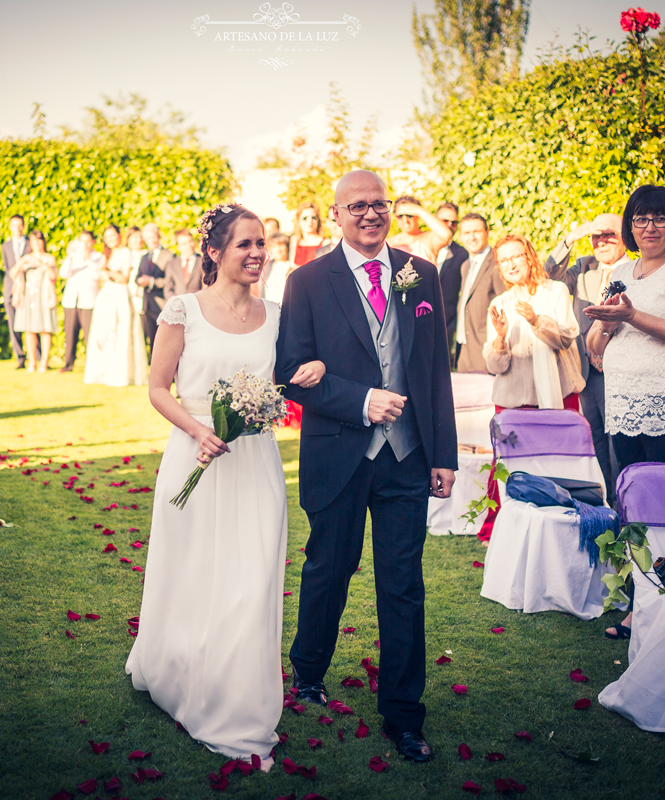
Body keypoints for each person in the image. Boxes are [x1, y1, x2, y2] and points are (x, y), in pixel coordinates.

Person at [126, 203, 324, 764]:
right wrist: (198, 431)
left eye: (263, 243)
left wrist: (314, 372)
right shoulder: (182, 310)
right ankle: (179, 669)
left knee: (252, 577)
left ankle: (240, 699)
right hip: (195, 459)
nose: (258, 253)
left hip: (255, 464)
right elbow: (158, 387)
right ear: (214, 252)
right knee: (191, 572)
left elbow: (293, 374)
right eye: (245, 244)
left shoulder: (282, 314)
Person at [276, 170, 458, 763]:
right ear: (336, 214)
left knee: (403, 585)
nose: (370, 215)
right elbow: (292, 372)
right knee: (330, 565)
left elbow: (433, 371)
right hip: (340, 453)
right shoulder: (305, 282)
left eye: (378, 204)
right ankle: (307, 671)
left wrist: (445, 454)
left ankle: (405, 716)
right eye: (357, 206)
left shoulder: (420, 273)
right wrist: (360, 401)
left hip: (407, 457)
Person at [585, 185, 665, 641]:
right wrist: (603, 326)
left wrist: (630, 316)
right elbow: (595, 345)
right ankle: (638, 606)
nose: (650, 227)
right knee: (634, 509)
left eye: (660, 218)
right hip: (625, 407)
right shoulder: (623, 269)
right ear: (630, 225)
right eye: (641, 219)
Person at [544, 213, 634, 496]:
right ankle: (610, 505)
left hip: (622, 370)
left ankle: (630, 505)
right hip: (588, 373)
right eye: (596, 235)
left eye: (609, 234)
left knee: (620, 442)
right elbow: (547, 278)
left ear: (625, 238)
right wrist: (572, 236)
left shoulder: (637, 269)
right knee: (597, 442)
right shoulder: (583, 266)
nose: (601, 241)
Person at [484, 234, 584, 411]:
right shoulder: (499, 304)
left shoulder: (556, 291)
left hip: (561, 396)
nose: (511, 265)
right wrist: (500, 338)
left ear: (529, 257)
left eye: (516, 257)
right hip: (513, 403)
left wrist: (537, 322)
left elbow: (567, 338)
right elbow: (494, 367)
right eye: (504, 260)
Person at [85, 225, 148, 386]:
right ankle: (103, 372)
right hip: (106, 295)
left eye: (113, 236)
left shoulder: (126, 253)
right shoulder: (106, 254)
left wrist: (109, 273)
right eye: (107, 237)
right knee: (104, 331)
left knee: (120, 331)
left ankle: (120, 373)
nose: (111, 240)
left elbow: (124, 278)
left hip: (120, 295)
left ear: (119, 235)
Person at [455, 213, 503, 372]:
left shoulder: (498, 263)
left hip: (486, 354)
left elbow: (506, 308)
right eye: (467, 233)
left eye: (477, 232)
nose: (472, 237)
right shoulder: (465, 266)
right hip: (464, 354)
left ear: (487, 233)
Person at [10, 231, 58, 372]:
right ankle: (32, 362)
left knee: (45, 329)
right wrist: (21, 262)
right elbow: (12, 274)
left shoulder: (49, 258)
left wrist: (41, 263)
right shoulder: (26, 258)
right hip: (28, 296)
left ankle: (44, 362)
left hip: (43, 296)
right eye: (33, 241)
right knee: (29, 329)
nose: (36, 243)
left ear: (43, 241)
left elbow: (53, 275)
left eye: (39, 240)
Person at [58, 230, 103, 372]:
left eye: (87, 241)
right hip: (71, 301)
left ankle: (92, 365)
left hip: (89, 302)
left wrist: (87, 258)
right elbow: (63, 273)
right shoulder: (73, 256)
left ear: (93, 242)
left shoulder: (98, 257)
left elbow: (97, 275)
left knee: (90, 335)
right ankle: (68, 364)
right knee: (70, 334)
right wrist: (71, 256)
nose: (84, 245)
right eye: (81, 241)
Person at [136, 222, 176, 355]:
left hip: (163, 304)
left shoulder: (169, 255)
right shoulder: (144, 257)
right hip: (147, 305)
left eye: (154, 236)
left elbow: (172, 281)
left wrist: (152, 281)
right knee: (152, 341)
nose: (152, 240)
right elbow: (137, 277)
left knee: (164, 342)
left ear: (158, 236)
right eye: (148, 238)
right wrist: (140, 281)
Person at [434, 203, 465, 354]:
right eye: (445, 220)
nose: (449, 225)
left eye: (454, 222)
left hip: (445, 327)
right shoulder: (418, 245)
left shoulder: (463, 255)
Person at [1, 214, 32, 368]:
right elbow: (7, 269)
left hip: (28, 286)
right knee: (13, 322)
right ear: (10, 227)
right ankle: (20, 357)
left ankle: (36, 355)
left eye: (20, 225)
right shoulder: (5, 246)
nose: (17, 229)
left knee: (31, 321)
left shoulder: (30, 243)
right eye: (14, 225)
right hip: (10, 286)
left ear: (23, 226)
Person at [387, 196, 454, 264]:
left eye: (410, 216)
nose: (405, 220)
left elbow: (447, 234)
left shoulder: (428, 239)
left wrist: (418, 210)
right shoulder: (390, 243)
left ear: (418, 216)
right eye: (400, 216)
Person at [165, 228, 203, 298]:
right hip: (178, 306)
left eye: (190, 241)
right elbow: (168, 290)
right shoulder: (171, 264)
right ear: (179, 247)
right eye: (184, 243)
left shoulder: (202, 261)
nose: (189, 245)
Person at [289, 202, 329, 266]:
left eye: (313, 218)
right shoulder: (294, 240)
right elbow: (292, 265)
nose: (310, 221)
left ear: (318, 221)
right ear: (298, 221)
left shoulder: (325, 242)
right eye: (305, 218)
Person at [263, 233, 293, 303]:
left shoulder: (292, 266)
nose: (278, 250)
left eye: (281, 245)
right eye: (274, 246)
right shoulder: (265, 267)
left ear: (287, 247)